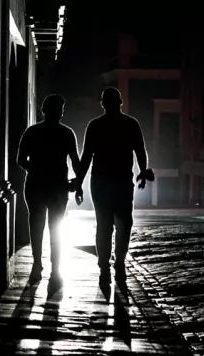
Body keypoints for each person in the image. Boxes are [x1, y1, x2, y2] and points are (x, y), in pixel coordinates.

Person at [76, 87, 152, 287]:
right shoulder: (131, 124)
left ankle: (104, 266)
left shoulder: (95, 126)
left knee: (104, 224)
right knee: (124, 223)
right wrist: (142, 172)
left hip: (100, 181)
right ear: (121, 102)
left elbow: (86, 158)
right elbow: (140, 151)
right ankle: (118, 262)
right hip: (122, 181)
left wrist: (78, 183)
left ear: (103, 104)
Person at [16, 94, 81, 285]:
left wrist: (35, 169)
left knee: (36, 226)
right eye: (60, 109)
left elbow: (20, 160)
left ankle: (37, 265)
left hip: (36, 184)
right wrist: (78, 184)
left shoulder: (32, 132)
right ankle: (56, 268)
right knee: (56, 228)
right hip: (59, 187)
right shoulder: (67, 133)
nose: (60, 113)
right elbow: (75, 161)